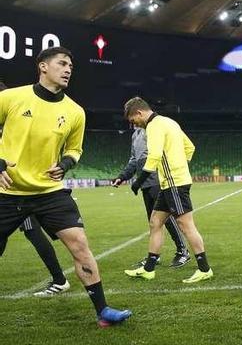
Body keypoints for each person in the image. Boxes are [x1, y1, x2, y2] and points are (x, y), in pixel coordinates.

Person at [0, 46, 131, 326]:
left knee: (80, 244)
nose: (68, 69)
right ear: (43, 67)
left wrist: (67, 163)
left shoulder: (75, 112)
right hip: (7, 192)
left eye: (71, 65)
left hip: (49, 192)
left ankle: (103, 311)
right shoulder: (11, 98)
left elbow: (75, 149)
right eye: (62, 63)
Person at [122, 97, 213, 283]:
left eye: (133, 120)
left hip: (174, 183)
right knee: (155, 222)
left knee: (186, 225)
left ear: (139, 113)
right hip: (169, 183)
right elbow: (190, 147)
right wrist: (180, 165)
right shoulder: (170, 122)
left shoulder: (154, 126)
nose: (135, 124)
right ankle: (149, 269)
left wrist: (139, 181)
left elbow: (154, 155)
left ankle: (204, 269)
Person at [0, 81, 70, 296]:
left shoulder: (18, 113)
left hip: (22, 190)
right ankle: (60, 279)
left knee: (32, 231)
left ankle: (59, 279)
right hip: (9, 188)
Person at [111, 126, 190, 268]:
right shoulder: (135, 135)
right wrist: (122, 177)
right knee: (153, 222)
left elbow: (157, 154)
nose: (131, 122)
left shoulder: (154, 129)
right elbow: (134, 160)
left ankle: (183, 251)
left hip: (158, 179)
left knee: (168, 218)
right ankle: (155, 256)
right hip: (145, 183)